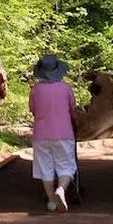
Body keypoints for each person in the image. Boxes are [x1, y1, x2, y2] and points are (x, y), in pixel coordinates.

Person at [28, 53, 80, 213]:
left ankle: (51, 201)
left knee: (45, 168)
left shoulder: (35, 90)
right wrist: (75, 123)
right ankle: (61, 190)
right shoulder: (66, 88)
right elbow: (73, 111)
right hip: (64, 133)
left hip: (41, 135)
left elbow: (33, 110)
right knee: (66, 166)